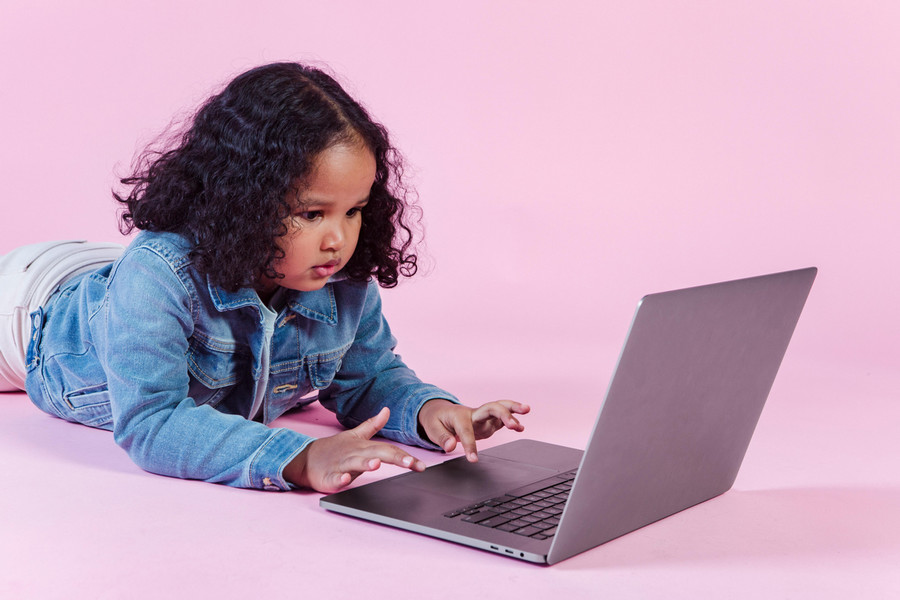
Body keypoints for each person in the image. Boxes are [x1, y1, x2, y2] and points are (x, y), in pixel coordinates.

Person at [0, 62, 529, 493]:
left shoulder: (339, 279)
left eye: (353, 210)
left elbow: (368, 378)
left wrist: (433, 412)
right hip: (26, 310)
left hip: (112, 282)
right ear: (243, 203)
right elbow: (152, 422)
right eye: (312, 214)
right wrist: (300, 457)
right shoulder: (158, 276)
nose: (338, 239)